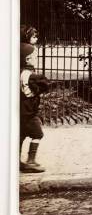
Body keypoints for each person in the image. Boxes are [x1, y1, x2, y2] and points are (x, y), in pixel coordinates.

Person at [20, 42, 50, 173]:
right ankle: (31, 161)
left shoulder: (21, 72)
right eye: (34, 56)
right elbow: (43, 85)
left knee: (20, 135)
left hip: (21, 111)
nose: (36, 58)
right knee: (38, 134)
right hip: (29, 112)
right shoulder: (30, 75)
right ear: (27, 59)